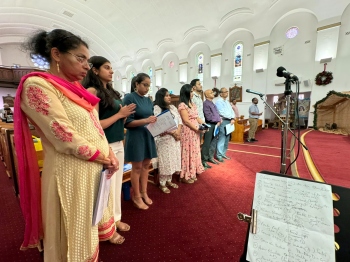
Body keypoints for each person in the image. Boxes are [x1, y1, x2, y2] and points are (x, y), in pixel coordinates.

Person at [15, 29, 119, 261]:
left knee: (87, 227)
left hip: (92, 168)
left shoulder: (77, 90)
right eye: (80, 58)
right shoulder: (38, 86)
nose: (86, 66)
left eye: (87, 60)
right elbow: (63, 136)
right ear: (56, 54)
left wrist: (108, 152)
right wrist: (104, 156)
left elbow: (94, 128)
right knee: (72, 232)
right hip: (69, 173)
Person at [83, 56, 136, 243]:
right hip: (104, 145)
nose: (111, 71)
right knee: (106, 189)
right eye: (107, 67)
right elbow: (95, 125)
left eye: (111, 67)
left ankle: (116, 219)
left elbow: (115, 120)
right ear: (95, 70)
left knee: (117, 185)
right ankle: (106, 228)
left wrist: (123, 116)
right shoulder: (92, 90)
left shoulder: (111, 92)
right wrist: (120, 115)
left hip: (117, 142)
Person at [123, 73, 157, 210]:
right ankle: (136, 196)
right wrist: (146, 120)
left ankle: (144, 192)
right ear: (136, 84)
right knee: (136, 167)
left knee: (146, 165)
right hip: (136, 136)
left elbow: (150, 116)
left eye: (149, 85)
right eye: (145, 85)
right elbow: (127, 123)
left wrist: (155, 120)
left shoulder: (149, 100)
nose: (147, 88)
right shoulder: (129, 97)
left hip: (148, 134)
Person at [153, 88, 182, 193]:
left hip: (175, 138)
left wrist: (178, 132)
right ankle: (162, 183)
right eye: (166, 96)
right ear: (161, 97)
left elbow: (180, 120)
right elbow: (159, 124)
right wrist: (173, 133)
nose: (169, 97)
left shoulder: (173, 107)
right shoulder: (157, 108)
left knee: (173, 159)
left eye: (169, 95)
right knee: (165, 161)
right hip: (164, 139)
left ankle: (169, 180)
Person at [178, 84, 205, 183]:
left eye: (192, 91)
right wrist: (197, 129)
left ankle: (192, 171)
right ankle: (185, 174)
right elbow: (186, 121)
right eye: (191, 91)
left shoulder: (193, 104)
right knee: (187, 151)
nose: (192, 93)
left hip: (195, 131)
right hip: (188, 131)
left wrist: (204, 124)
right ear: (186, 93)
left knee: (194, 150)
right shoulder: (182, 105)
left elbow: (197, 117)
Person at [202, 89, 222, 167]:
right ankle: (203, 160)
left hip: (216, 124)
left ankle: (210, 157)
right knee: (207, 143)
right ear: (206, 95)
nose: (212, 93)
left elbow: (216, 114)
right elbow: (209, 117)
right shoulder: (205, 104)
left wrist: (219, 120)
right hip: (210, 124)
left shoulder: (212, 103)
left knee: (212, 143)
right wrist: (218, 120)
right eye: (210, 93)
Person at [215, 87, 235, 162]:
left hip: (229, 121)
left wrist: (233, 118)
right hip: (224, 121)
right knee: (222, 138)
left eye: (227, 91)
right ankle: (219, 155)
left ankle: (223, 153)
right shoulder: (219, 102)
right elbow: (221, 112)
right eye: (225, 91)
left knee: (227, 139)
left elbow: (231, 111)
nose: (227, 93)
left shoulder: (227, 101)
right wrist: (231, 117)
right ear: (221, 93)